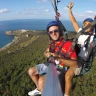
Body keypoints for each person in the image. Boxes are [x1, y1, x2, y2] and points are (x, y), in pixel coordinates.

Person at [28, 21, 82, 96]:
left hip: (61, 68)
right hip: (51, 64)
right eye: (51, 32)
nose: (53, 33)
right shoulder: (53, 43)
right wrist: (47, 54)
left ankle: (42, 89)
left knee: (41, 82)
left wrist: (58, 58)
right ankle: (39, 89)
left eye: (55, 31)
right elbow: (45, 52)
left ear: (60, 31)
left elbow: (75, 64)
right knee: (31, 71)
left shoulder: (68, 44)